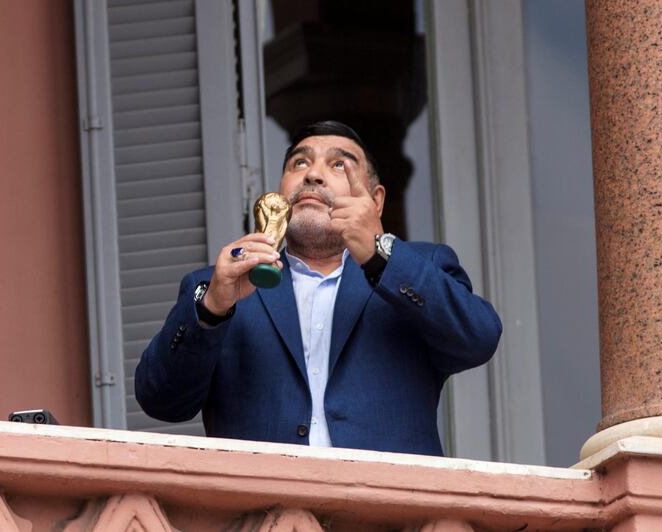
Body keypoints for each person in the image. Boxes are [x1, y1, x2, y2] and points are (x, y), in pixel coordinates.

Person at [135, 121, 502, 456]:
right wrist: (212, 307)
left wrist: (382, 254)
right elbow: (162, 402)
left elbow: (478, 338)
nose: (313, 174)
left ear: (375, 201)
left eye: (339, 165)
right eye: (299, 163)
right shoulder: (219, 286)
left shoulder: (420, 268)